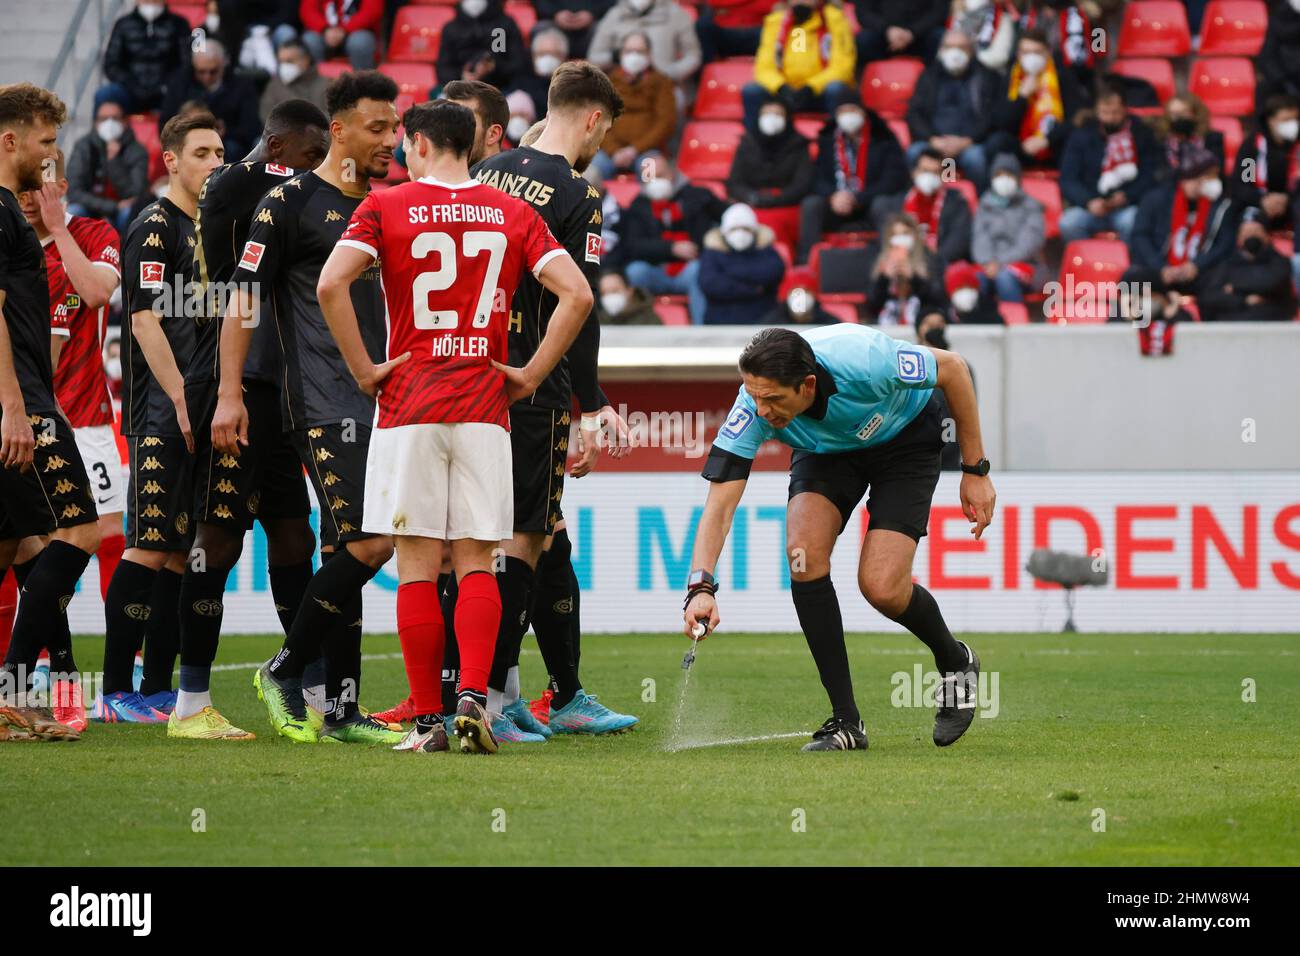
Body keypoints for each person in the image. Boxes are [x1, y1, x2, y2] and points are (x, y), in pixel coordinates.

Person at [320, 100, 594, 753]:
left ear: (417, 143)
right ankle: (474, 697)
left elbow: (332, 284)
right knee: (478, 559)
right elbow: (577, 294)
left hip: (410, 402)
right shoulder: (512, 211)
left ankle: (427, 724)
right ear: (472, 144)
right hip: (484, 407)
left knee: (416, 561)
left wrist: (363, 370)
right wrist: (528, 374)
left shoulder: (386, 206)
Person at [683, 325, 993, 751]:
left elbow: (954, 369)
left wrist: (975, 471)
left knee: (882, 588)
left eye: (772, 399)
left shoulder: (865, 361)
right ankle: (846, 722)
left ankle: (956, 661)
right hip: (827, 454)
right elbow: (719, 504)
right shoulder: (753, 408)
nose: (761, 410)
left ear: (807, 384)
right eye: (754, 395)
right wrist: (700, 585)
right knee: (802, 556)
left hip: (906, 438)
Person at [228, 71, 402, 746]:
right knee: (371, 541)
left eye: (395, 127)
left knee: (344, 545)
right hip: (324, 399)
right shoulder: (290, 202)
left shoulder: (390, 205)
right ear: (339, 130)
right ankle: (284, 670)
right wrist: (228, 395)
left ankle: (341, 711)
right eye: (377, 128)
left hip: (388, 399)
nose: (391, 141)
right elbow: (242, 300)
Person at [472, 62, 639, 738]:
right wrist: (591, 407)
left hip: (467, 375)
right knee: (526, 538)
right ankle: (490, 698)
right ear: (595, 118)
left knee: (494, 539)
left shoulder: (487, 173)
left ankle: (529, 692)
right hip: (533, 383)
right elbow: (584, 309)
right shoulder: (576, 193)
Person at [173, 100, 330, 738]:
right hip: (233, 383)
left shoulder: (303, 194)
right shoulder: (235, 186)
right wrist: (223, 391)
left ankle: (309, 688)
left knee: (296, 533)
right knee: (218, 539)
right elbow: (222, 275)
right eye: (310, 156)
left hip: (287, 385)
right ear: (276, 147)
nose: (320, 169)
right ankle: (190, 704)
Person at [95, 112, 225, 728]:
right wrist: (176, 398)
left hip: (197, 408)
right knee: (148, 546)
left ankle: (156, 688)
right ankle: (116, 689)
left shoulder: (212, 226)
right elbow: (143, 320)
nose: (214, 162)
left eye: (220, 152)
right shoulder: (153, 224)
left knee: (179, 552)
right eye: (201, 153)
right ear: (170, 160)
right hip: (160, 411)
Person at [0, 84, 103, 742]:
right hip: (23, 402)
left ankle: (19, 692)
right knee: (80, 532)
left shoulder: (15, 210)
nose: (52, 154)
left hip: (26, 394)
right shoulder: (3, 211)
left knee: (18, 544)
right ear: (10, 142)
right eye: (43, 142)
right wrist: (14, 404)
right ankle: (10, 687)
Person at [17, 151, 124, 620]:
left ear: (61, 187)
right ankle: (42, 662)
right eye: (20, 188)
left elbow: (99, 292)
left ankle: (129, 663)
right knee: (31, 540)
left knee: (109, 532)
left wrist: (58, 229)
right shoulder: (8, 242)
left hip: (87, 415)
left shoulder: (94, 234)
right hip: (24, 416)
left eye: (38, 187)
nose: (27, 199)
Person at [618, 151, 729, 324]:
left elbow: (728, 216)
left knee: (700, 270)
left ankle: (704, 330)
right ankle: (640, 328)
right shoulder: (638, 205)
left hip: (688, 268)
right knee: (635, 271)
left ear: (673, 172)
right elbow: (632, 245)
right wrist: (671, 248)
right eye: (650, 177)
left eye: (661, 175)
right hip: (654, 269)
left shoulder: (698, 195)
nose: (656, 181)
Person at [798, 102, 906, 262]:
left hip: (869, 201)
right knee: (811, 204)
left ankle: (891, 261)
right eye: (843, 110)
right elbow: (816, 177)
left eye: (853, 110)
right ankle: (807, 263)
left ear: (863, 112)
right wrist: (832, 196)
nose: (849, 115)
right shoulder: (827, 139)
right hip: (837, 203)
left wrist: (858, 199)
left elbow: (893, 180)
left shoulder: (884, 138)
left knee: (884, 204)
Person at [1058, 77, 1161, 244]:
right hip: (1091, 206)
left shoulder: (1141, 134)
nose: (1110, 118)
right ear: (1097, 111)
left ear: (1125, 110)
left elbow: (1150, 176)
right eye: (1105, 112)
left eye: (1115, 112)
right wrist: (1088, 201)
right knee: (1069, 223)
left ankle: (1130, 267)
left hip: (1126, 206)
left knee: (1132, 222)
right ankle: (1085, 264)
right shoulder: (1082, 135)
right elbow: (1068, 179)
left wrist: (1127, 196)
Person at [1126, 147, 1236, 297]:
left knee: (1223, 283)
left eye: (1215, 176)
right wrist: (1161, 268)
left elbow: (1224, 244)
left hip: (1199, 274)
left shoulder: (1222, 206)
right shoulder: (1156, 199)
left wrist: (1196, 265)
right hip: (1161, 271)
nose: (1213, 182)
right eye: (1208, 176)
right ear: (1189, 177)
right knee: (1130, 280)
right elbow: (1140, 236)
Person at [906, 28, 999, 189]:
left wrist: (967, 141)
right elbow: (914, 113)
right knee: (914, 153)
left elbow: (992, 116)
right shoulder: (929, 75)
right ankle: (914, 204)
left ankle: (980, 204)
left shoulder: (986, 76)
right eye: (949, 47)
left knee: (976, 159)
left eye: (961, 47)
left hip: (970, 144)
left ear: (971, 51)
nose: (955, 53)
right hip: (934, 142)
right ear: (942, 50)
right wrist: (933, 139)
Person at [743, 0, 856, 131]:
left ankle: (835, 141)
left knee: (836, 89)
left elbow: (842, 67)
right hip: (785, 93)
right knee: (752, 91)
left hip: (819, 93)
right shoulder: (776, 22)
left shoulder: (836, 20)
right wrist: (781, 87)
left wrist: (811, 86)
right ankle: (752, 144)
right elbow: (763, 68)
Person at [988, 24, 1088, 171]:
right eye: (1026, 52)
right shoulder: (1009, 76)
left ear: (1048, 52)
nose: (1031, 57)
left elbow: (1077, 118)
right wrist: (1022, 96)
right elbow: (1001, 123)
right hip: (1021, 146)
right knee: (997, 141)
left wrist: (1046, 140)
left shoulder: (1063, 75)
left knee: (1078, 139)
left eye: (1037, 52)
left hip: (1053, 144)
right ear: (1018, 54)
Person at [159, 39, 262, 162]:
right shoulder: (179, 85)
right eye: (201, 72)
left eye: (213, 71)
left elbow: (252, 128)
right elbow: (165, 125)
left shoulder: (242, 86)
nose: (206, 77)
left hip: (229, 146)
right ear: (194, 67)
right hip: (186, 142)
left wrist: (226, 131)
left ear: (223, 64)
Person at [872, 147, 974, 269]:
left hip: (940, 266)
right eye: (925, 171)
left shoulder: (957, 204)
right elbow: (887, 239)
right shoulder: (892, 205)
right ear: (914, 172)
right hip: (901, 265)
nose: (929, 177)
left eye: (935, 172)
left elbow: (958, 242)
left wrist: (933, 263)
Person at [593, 31, 676, 179]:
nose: (634, 56)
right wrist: (614, 151)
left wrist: (634, 149)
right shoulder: (607, 81)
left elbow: (665, 123)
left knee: (655, 176)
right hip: (609, 152)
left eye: (640, 51)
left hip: (647, 152)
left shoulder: (661, 82)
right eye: (629, 51)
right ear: (621, 54)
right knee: (586, 177)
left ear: (649, 55)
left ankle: (647, 202)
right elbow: (597, 121)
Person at [66, 96, 149, 235]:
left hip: (122, 213)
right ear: (95, 123)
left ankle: (126, 254)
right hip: (92, 208)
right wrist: (113, 206)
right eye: (104, 119)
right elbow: (73, 191)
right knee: (72, 212)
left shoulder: (137, 150)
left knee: (133, 214)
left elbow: (135, 193)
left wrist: (113, 161)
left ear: (125, 122)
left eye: (115, 118)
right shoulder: (83, 147)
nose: (109, 123)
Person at [970, 152, 1044, 303]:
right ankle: (980, 322)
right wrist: (988, 261)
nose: (1003, 180)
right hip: (988, 265)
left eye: (1009, 175)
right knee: (975, 280)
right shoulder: (984, 205)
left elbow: (1028, 244)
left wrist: (999, 263)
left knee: (1004, 278)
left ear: (1018, 178)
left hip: (1024, 265)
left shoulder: (1031, 206)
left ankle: (1016, 323)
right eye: (999, 175)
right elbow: (979, 238)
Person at [1198, 214, 1297, 323]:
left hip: (1272, 322)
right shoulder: (1227, 264)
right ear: (1239, 238)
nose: (1251, 234)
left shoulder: (1279, 261)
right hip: (1232, 324)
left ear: (1267, 235)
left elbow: (1273, 282)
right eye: (1247, 231)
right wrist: (1244, 300)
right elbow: (1209, 297)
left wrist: (1235, 287)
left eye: (1256, 231)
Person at [98, 1, 194, 114]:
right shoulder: (123, 24)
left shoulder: (179, 24)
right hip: (130, 91)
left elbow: (187, 63)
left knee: (190, 97)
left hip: (167, 92)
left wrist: (166, 85)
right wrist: (131, 85)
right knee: (105, 94)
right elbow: (111, 64)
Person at [699, 203, 786, 325]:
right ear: (724, 232)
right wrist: (753, 289)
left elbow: (774, 272)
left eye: (746, 229)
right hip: (720, 321)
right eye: (734, 229)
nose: (740, 233)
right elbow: (710, 284)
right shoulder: (712, 252)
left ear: (754, 231)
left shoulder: (766, 250)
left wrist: (729, 271)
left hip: (763, 320)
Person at [588, 0, 703, 89]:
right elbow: (594, 56)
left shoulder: (676, 14)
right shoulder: (614, 15)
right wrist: (616, 56)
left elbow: (693, 55)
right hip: (620, 85)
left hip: (663, 86)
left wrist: (671, 73)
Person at [726, 97, 814, 211]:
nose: (771, 118)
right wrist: (752, 197)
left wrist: (777, 199)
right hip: (751, 204)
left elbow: (802, 184)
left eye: (777, 114)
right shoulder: (747, 143)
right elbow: (734, 183)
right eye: (766, 114)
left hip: (787, 205)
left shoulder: (799, 144)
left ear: (787, 118)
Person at [1229, 95, 1300, 233]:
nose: (1293, 124)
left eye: (1296, 119)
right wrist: (1263, 199)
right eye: (1286, 120)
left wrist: (1287, 199)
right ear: (1271, 121)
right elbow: (1243, 184)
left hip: (1294, 204)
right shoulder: (1253, 148)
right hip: (1260, 205)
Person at [865, 213, 947, 326]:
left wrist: (914, 278)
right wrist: (884, 278)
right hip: (888, 322)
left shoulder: (929, 258)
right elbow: (871, 305)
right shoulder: (880, 261)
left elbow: (938, 300)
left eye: (905, 233)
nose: (900, 239)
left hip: (920, 321)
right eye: (895, 234)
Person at [436, 0, 529, 92]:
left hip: (501, 89)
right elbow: (443, 70)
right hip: (461, 90)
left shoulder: (504, 25)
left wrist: (494, 66)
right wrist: (462, 76)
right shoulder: (451, 29)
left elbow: (519, 66)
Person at [852, 0, 947, 70]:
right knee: (863, 40)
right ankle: (866, 85)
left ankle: (934, 83)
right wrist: (887, 29)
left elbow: (939, 12)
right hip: (883, 36)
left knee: (941, 38)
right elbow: (863, 13)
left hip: (921, 35)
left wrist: (912, 32)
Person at [1155, 93, 1224, 187]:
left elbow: (1216, 170)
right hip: (1172, 190)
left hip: (1205, 187)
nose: (1178, 118)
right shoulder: (1160, 140)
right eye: (1173, 114)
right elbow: (1160, 174)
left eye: (1183, 113)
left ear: (1195, 114)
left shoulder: (1212, 138)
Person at [299, 0, 382, 71]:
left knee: (360, 42)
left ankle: (363, 85)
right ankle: (316, 85)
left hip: (355, 32)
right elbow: (307, 10)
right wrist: (325, 29)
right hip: (324, 32)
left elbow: (372, 11)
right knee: (309, 40)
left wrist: (344, 30)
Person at [508, 27, 570, 123]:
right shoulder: (521, 81)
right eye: (542, 54)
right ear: (533, 56)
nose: (547, 59)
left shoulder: (572, 85)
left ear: (564, 57)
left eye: (553, 54)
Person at [260, 40, 331, 120]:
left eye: (289, 61)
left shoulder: (326, 84)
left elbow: (334, 116)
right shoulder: (275, 85)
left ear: (306, 59)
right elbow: (266, 116)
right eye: (281, 62)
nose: (284, 66)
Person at [537, 0, 613, 59]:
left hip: (593, 24)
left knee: (606, 30)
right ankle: (548, 75)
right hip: (554, 22)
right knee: (542, 29)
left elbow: (611, 3)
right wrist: (555, 13)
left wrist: (592, 13)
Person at [763, 278, 838, 324]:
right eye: (796, 291)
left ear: (813, 294)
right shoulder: (772, 322)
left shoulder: (828, 323)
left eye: (805, 291)